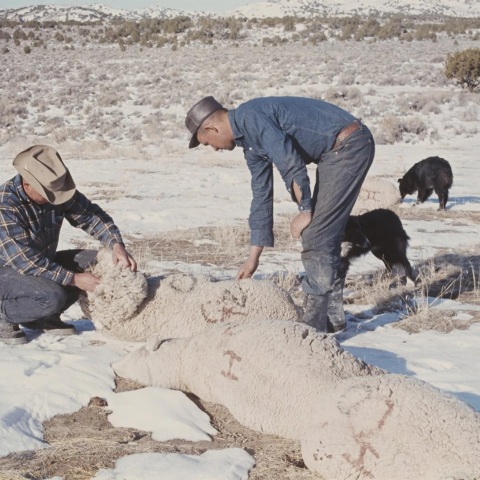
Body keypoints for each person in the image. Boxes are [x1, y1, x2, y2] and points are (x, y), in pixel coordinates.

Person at [184, 96, 375, 333]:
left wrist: (305, 210)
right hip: (335, 152)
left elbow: (289, 161)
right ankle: (333, 317)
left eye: (208, 143)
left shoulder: (250, 117)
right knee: (324, 231)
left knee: (316, 233)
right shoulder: (250, 143)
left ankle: (312, 328)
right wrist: (253, 257)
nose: (214, 148)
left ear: (212, 129)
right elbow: (261, 196)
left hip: (349, 145)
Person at [0, 145, 137, 345]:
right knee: (51, 296)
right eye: (49, 195)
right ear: (27, 183)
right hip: (7, 271)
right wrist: (74, 279)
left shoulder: (53, 192)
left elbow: (91, 216)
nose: (55, 199)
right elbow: (25, 261)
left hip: (39, 263)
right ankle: (4, 315)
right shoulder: (5, 206)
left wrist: (116, 245)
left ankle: (43, 317)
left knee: (99, 262)